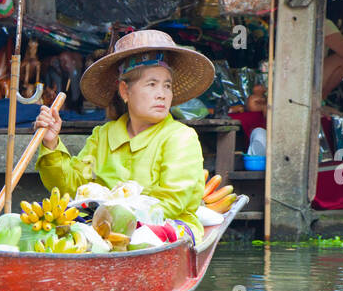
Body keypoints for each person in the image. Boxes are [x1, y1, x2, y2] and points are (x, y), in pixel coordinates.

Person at [33, 28, 215, 241]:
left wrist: (117, 221)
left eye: (167, 86)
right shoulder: (103, 135)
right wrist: (51, 142)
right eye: (152, 84)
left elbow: (172, 202)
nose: (162, 94)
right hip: (103, 227)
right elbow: (71, 187)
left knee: (142, 237)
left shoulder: (181, 137)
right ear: (125, 91)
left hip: (166, 226)